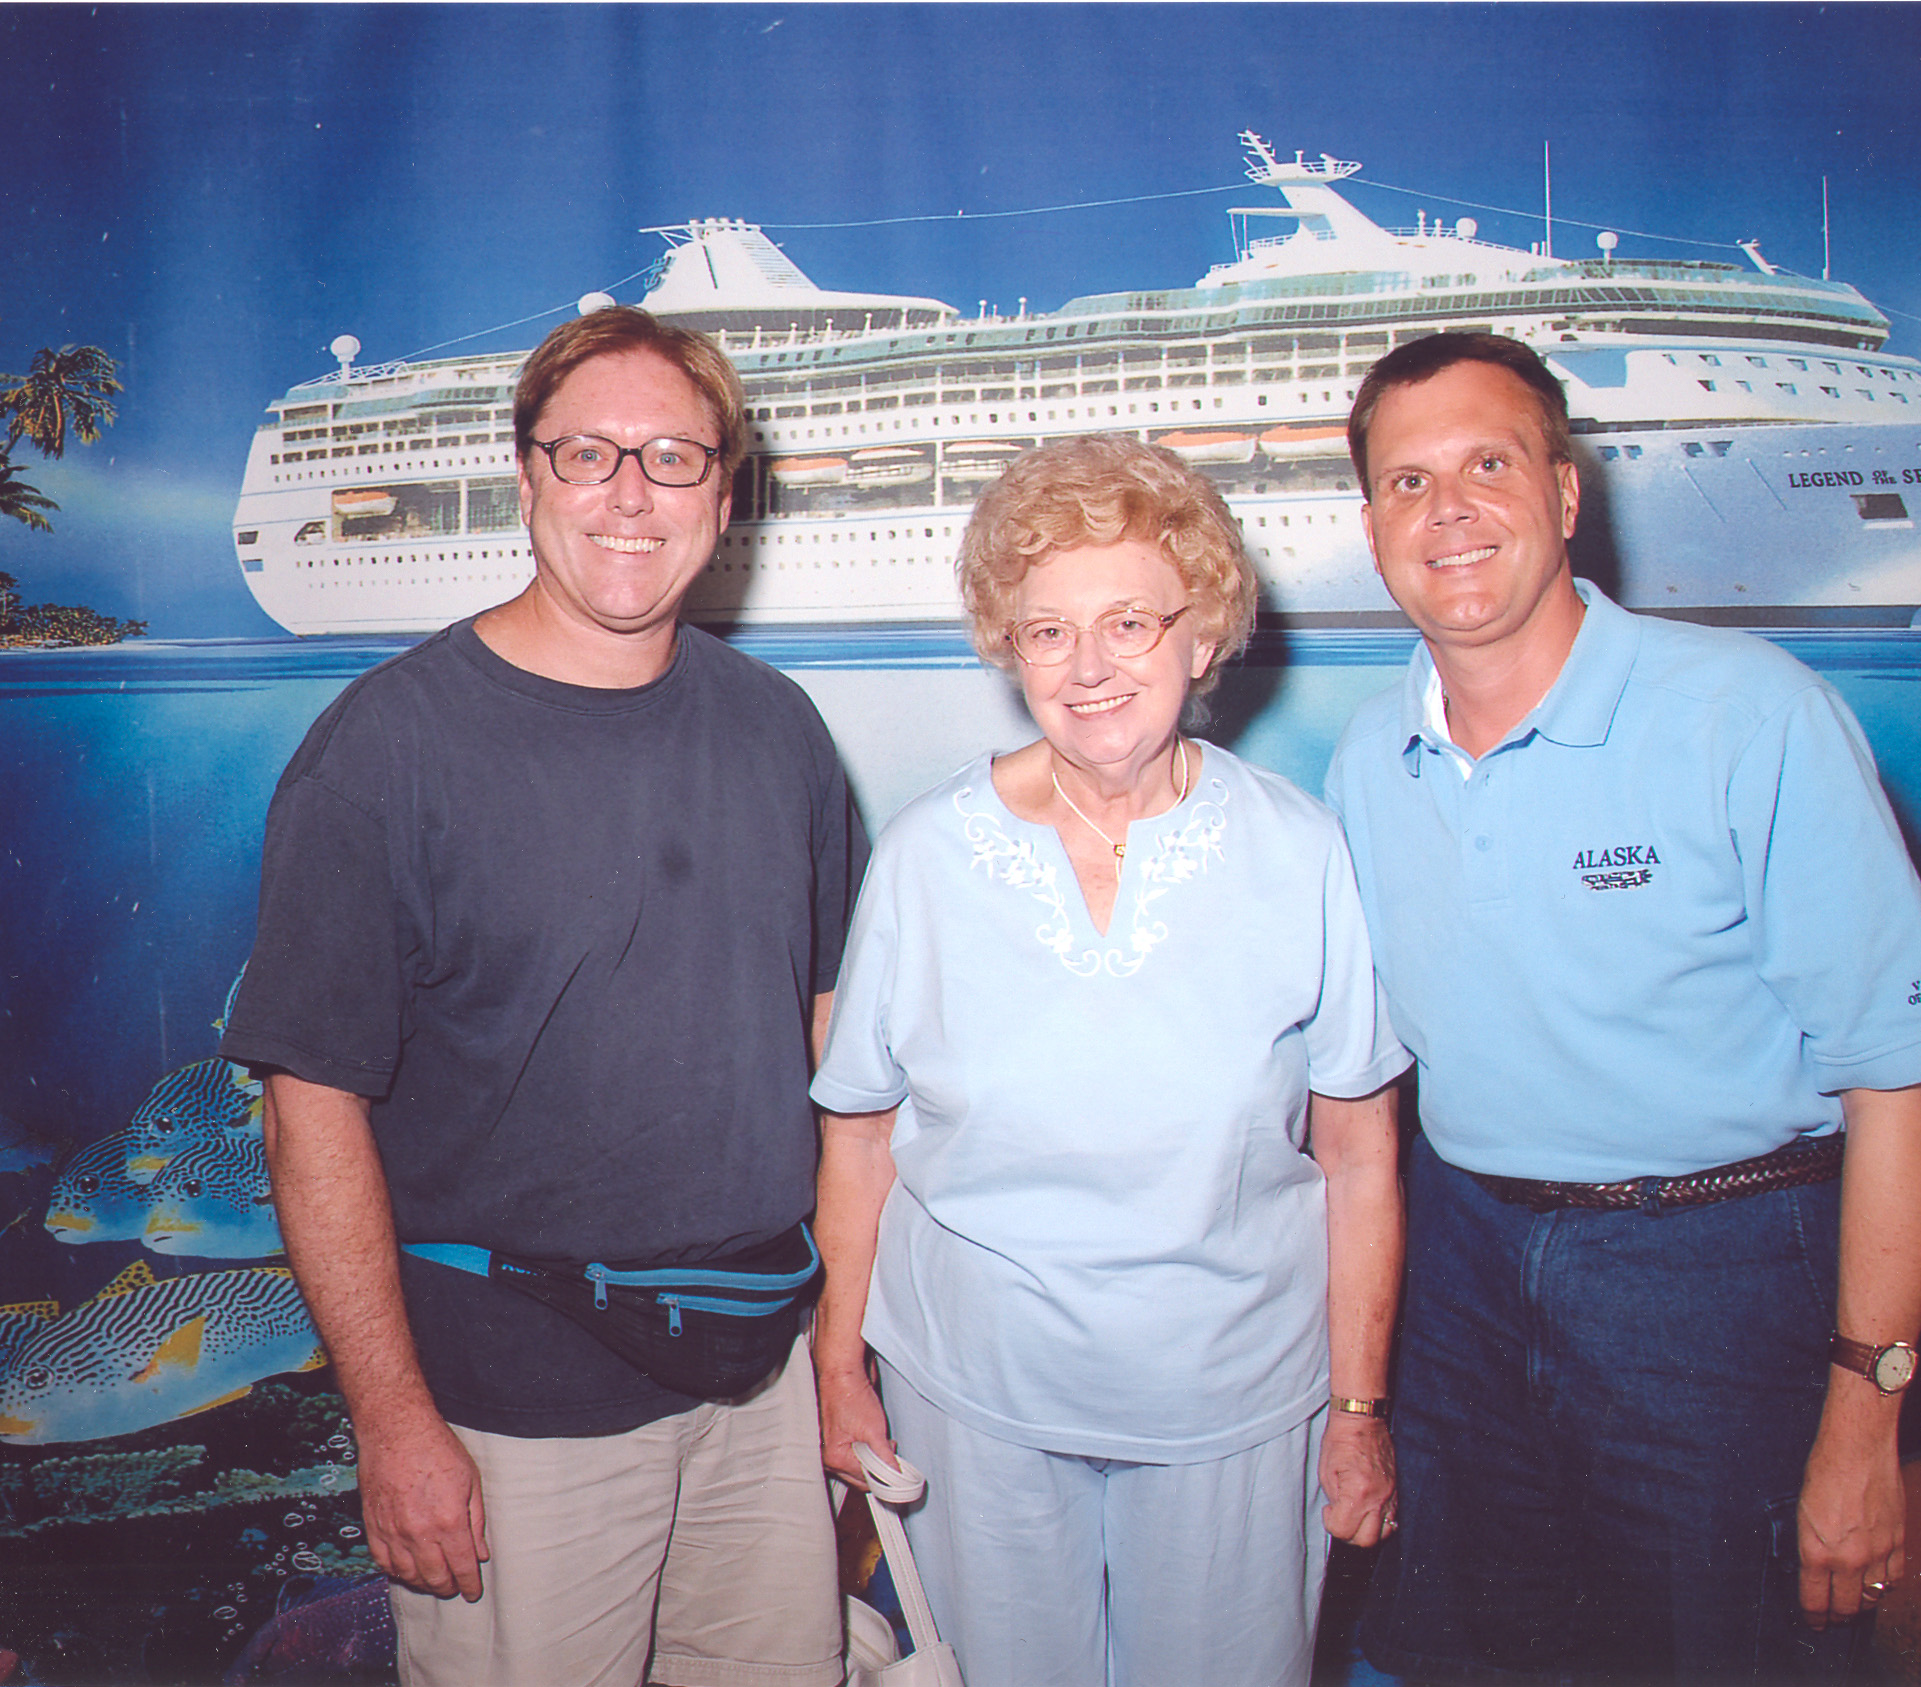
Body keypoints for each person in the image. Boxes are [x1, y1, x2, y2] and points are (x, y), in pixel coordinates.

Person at [220, 306, 864, 1687]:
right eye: (589, 453)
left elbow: (831, 1054)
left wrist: (844, 1354)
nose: (630, 493)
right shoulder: (386, 751)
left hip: (759, 1386)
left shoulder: (779, 729)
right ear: (525, 477)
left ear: (724, 494)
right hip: (510, 1413)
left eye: (673, 457)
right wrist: (393, 1420)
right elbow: (307, 1114)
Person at [1323, 333, 1921, 1685]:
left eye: (1489, 465)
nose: (1448, 511)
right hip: (1463, 1272)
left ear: (1565, 493)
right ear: (1371, 526)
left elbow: (1901, 1091)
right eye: (1406, 482)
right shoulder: (1368, 759)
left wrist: (1864, 1416)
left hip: (1715, 1275)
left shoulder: (1747, 714)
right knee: (1476, 1661)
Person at [811, 434, 1411, 1687]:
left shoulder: (1297, 849)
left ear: (1202, 635)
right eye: (1047, 631)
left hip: (1232, 1400)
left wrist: (1357, 1411)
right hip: (972, 1393)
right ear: (1008, 647)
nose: (1087, 668)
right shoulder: (926, 856)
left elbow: (1358, 1158)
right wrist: (837, 1367)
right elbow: (859, 1138)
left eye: (1129, 622)